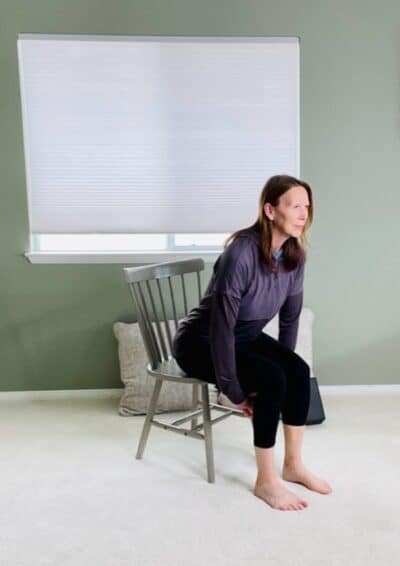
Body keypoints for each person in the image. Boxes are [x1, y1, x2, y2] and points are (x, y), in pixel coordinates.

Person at [172, 174, 332, 511]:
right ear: (270, 210)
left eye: (307, 206)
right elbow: (221, 326)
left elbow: (289, 320)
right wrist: (233, 388)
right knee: (271, 378)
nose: (304, 214)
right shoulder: (241, 253)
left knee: (297, 371)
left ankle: (293, 465)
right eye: (294, 206)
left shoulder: (294, 256)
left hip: (242, 336)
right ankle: (265, 481)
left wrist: (287, 373)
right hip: (200, 342)